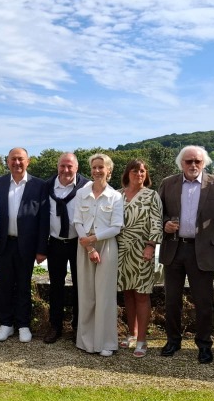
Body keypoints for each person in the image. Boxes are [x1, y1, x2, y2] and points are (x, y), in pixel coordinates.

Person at [158, 145, 214, 364]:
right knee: (171, 301)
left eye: (197, 161)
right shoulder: (167, 184)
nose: (193, 165)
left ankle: (204, 345)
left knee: (203, 301)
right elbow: (157, 215)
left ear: (204, 163)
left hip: (204, 251)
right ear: (181, 163)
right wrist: (164, 225)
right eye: (188, 161)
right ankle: (173, 340)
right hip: (175, 248)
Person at [0, 147, 46, 343]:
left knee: (23, 286)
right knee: (4, 285)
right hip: (3, 244)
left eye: (20, 159)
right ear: (7, 162)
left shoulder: (39, 185)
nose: (17, 163)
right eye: (13, 159)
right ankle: (6, 324)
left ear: (28, 161)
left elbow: (43, 220)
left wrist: (41, 249)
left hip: (27, 245)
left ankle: (23, 324)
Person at [73, 154, 124, 355]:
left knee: (105, 296)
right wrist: (88, 246)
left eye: (101, 167)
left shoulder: (115, 196)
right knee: (86, 295)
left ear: (109, 170)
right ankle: (86, 341)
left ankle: (105, 343)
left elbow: (116, 227)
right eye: (94, 167)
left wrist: (93, 241)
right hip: (84, 246)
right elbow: (77, 221)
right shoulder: (81, 193)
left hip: (106, 247)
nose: (96, 171)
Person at [39, 152, 88, 343]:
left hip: (78, 244)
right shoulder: (47, 186)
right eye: (62, 166)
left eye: (70, 166)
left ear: (76, 167)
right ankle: (55, 326)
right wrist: (41, 247)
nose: (66, 170)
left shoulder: (86, 186)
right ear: (57, 167)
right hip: (56, 243)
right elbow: (42, 218)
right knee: (55, 287)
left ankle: (78, 327)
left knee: (81, 286)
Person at [116, 159, 162, 358]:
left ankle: (142, 339)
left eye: (142, 171)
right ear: (127, 173)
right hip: (120, 250)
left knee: (142, 294)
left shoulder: (152, 195)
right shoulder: (117, 195)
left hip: (142, 251)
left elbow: (157, 222)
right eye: (135, 170)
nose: (139, 174)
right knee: (127, 293)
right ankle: (131, 333)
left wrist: (151, 246)